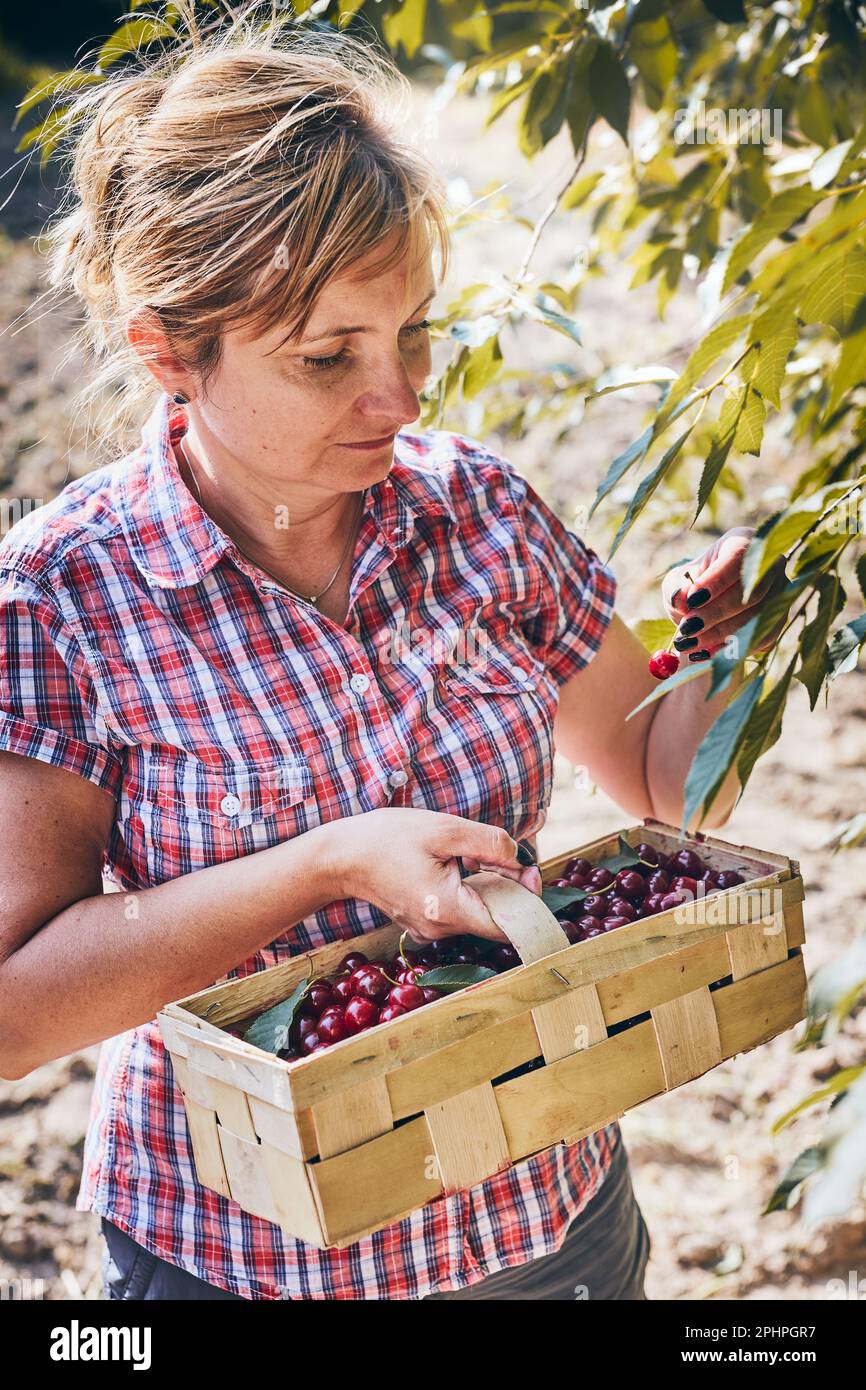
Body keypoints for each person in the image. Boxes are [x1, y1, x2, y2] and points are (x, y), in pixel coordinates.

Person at [0, 13, 785, 1301]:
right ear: (167, 353)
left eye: (415, 332)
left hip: (550, 1211)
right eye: (331, 358)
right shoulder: (63, 599)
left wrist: (734, 641)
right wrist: (325, 866)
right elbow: (18, 1015)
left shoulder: (475, 512)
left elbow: (660, 781)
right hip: (250, 1256)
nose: (404, 396)